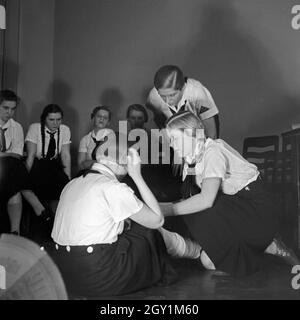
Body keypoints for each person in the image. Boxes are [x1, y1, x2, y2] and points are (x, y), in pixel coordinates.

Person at [50, 132, 194, 297]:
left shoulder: (72, 184)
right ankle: (194, 251)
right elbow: (157, 220)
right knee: (148, 229)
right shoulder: (114, 188)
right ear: (123, 162)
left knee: (132, 222)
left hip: (66, 274)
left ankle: (191, 250)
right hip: (98, 275)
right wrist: (137, 176)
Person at [160, 111, 300, 277]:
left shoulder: (213, 151)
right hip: (234, 203)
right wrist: (162, 207)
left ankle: (269, 244)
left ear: (192, 135)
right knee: (207, 261)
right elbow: (190, 194)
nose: (172, 144)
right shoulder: (192, 157)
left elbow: (206, 199)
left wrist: (168, 210)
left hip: (256, 207)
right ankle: (253, 245)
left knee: (199, 209)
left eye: (175, 139)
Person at [0, 90, 52, 235]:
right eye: (5, 108)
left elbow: (17, 154)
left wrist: (6, 154)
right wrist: (8, 154)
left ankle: (15, 231)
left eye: (13, 109)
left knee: (14, 183)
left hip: (8, 169)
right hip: (8, 167)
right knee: (12, 164)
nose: (9, 112)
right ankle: (37, 207)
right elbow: (14, 154)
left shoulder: (16, 127)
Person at [146, 65, 219, 138]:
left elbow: (212, 135)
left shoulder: (199, 94)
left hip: (201, 133)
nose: (167, 101)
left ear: (183, 88)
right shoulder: (153, 97)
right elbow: (154, 120)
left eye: (172, 95)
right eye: (163, 96)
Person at [25, 104, 71, 214]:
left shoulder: (65, 129)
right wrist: (25, 175)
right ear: (44, 118)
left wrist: (68, 178)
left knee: (64, 187)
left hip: (54, 164)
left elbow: (65, 155)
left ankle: (54, 218)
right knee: (34, 186)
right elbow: (31, 155)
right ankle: (42, 214)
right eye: (51, 120)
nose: (55, 123)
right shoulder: (35, 128)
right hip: (38, 164)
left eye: (58, 119)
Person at [78, 106, 114, 172]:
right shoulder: (85, 139)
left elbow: (113, 165)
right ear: (93, 118)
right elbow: (81, 165)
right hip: (88, 174)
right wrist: (102, 162)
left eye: (105, 118)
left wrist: (90, 162)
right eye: (99, 116)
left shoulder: (113, 138)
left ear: (108, 122)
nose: (101, 119)